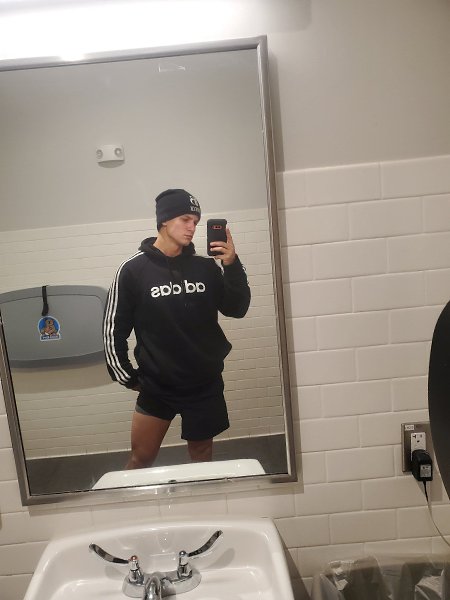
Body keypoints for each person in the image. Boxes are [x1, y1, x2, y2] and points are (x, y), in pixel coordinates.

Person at [103, 189, 251, 469]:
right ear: (164, 220)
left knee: (202, 456)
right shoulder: (132, 270)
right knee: (141, 459)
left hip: (204, 384)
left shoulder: (206, 268)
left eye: (195, 221)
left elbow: (237, 308)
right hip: (157, 386)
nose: (192, 227)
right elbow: (113, 330)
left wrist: (231, 264)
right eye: (185, 219)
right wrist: (127, 377)